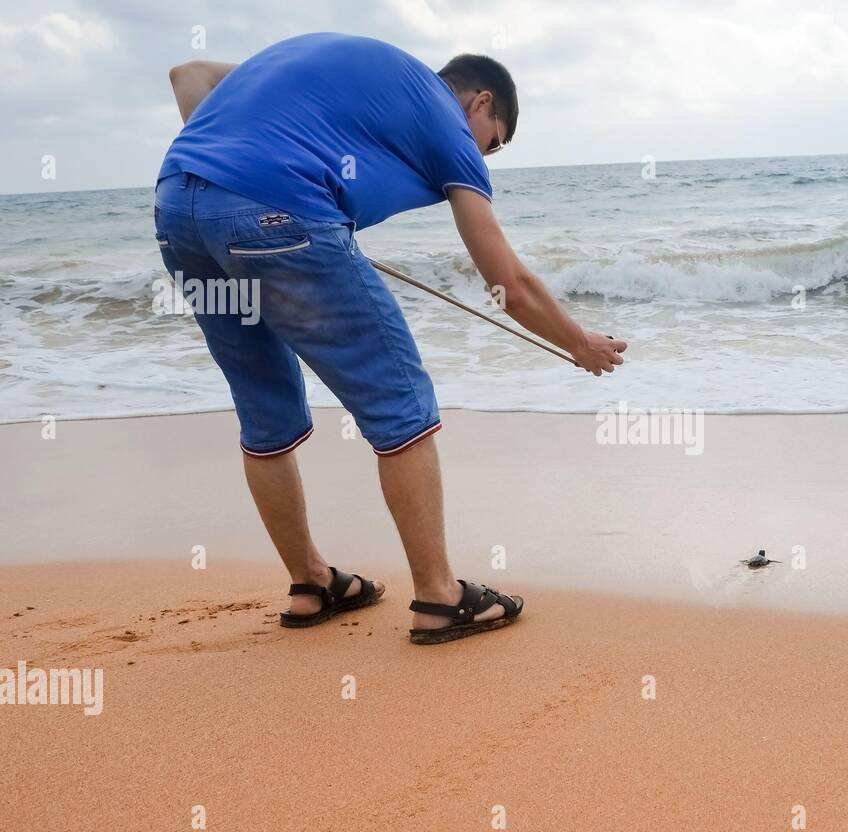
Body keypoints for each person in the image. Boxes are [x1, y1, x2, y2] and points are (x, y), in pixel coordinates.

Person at [156, 33, 626, 645]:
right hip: (279, 217)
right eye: (497, 141)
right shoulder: (446, 122)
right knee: (400, 402)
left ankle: (311, 584)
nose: (487, 156)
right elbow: (507, 282)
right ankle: (438, 596)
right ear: (479, 104)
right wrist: (577, 343)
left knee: (263, 405)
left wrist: (234, 185)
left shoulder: (351, 72)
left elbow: (188, 73)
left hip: (177, 214)